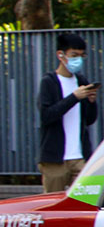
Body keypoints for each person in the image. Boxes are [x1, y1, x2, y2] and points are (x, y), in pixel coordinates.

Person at [37, 32, 98, 192]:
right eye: (74, 55)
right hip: (55, 159)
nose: (78, 59)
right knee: (54, 207)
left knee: (86, 203)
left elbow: (89, 120)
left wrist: (91, 102)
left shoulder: (81, 81)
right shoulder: (49, 82)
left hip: (80, 157)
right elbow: (46, 116)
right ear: (61, 55)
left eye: (81, 55)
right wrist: (74, 97)